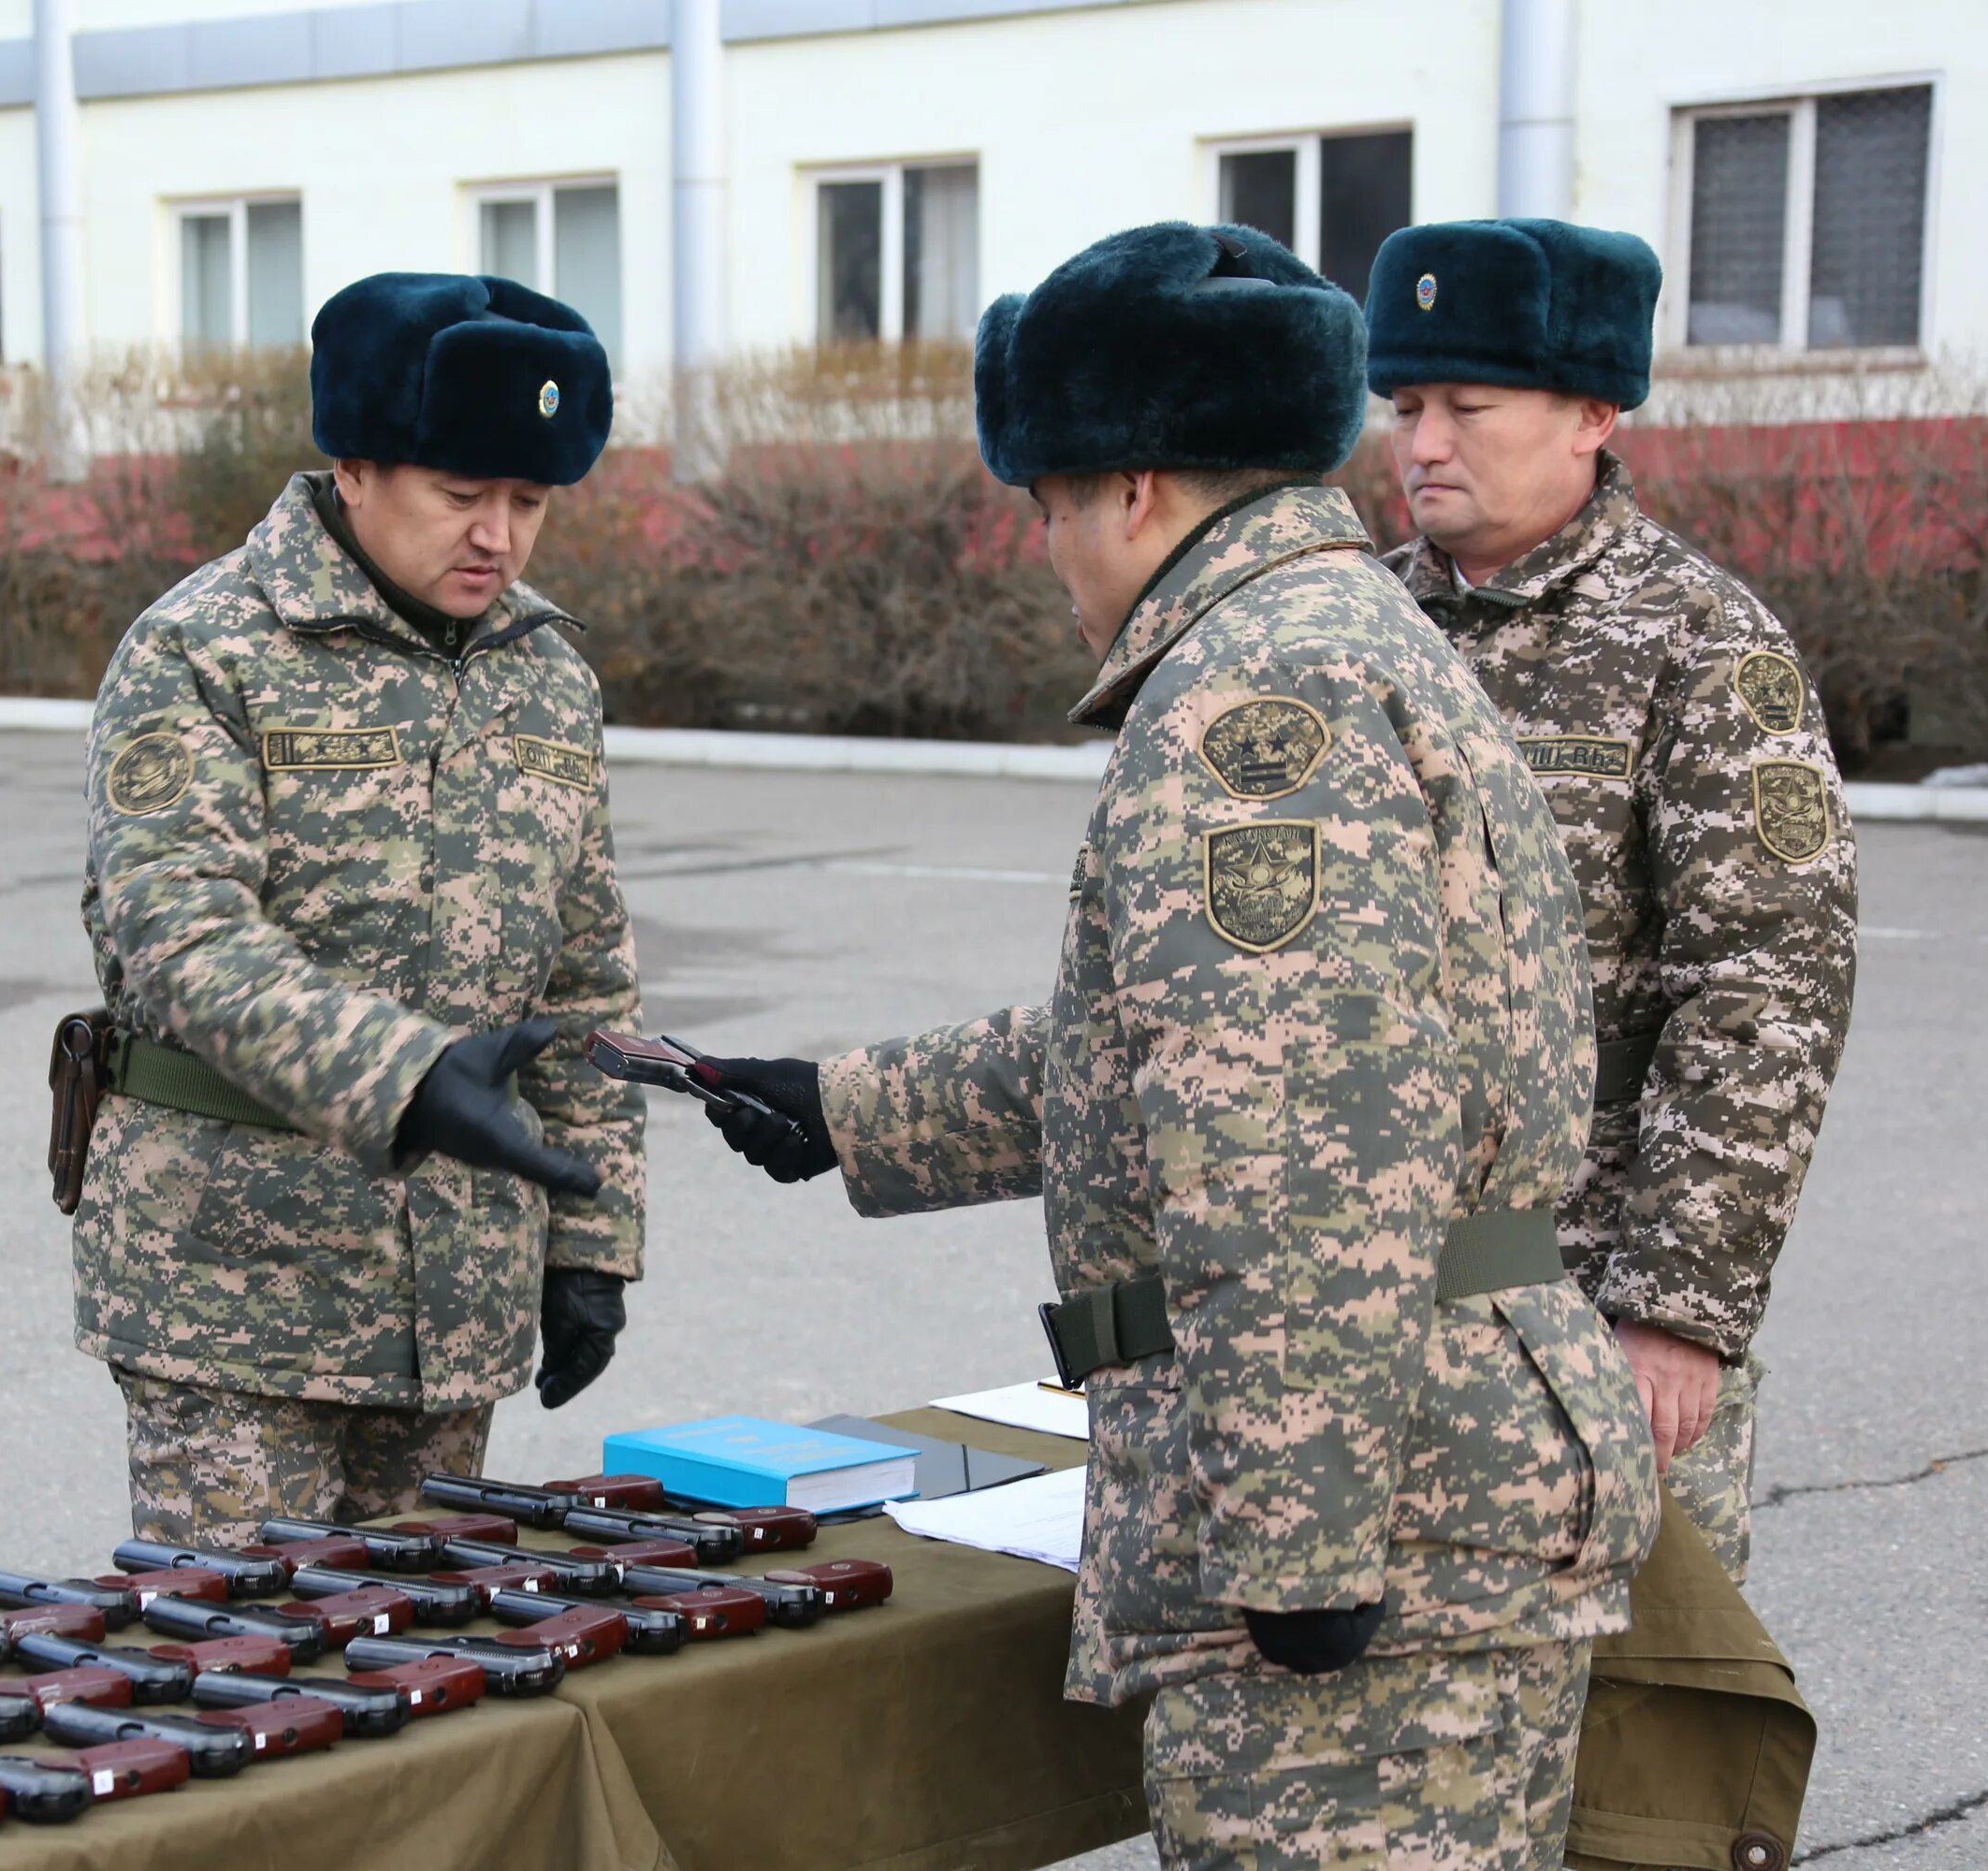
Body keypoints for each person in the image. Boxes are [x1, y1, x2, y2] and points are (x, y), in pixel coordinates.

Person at [694, 225, 1659, 1870]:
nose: (1049, 551)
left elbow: (1296, 1153)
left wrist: (1298, 1555)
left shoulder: (1244, 706)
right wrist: (850, 1110)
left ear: (1130, 488)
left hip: (1371, 1524)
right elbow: (1195, 1051)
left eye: (1047, 505)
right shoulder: (1348, 634)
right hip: (1438, 1466)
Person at [73, 273, 647, 1544]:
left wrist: (593, 1236)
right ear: (357, 471)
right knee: (238, 1682)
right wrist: (409, 1075)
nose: (497, 535)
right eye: (460, 496)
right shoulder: (204, 650)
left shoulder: (546, 675)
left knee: (426, 1682)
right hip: (237, 1289)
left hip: (458, 1294)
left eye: (530, 502)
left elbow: (584, 985)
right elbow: (183, 941)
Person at [1362, 221, 1859, 1582]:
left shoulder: (1698, 642)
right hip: (1377, 1294)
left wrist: (1680, 1311)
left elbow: (1769, 988)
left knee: (1640, 1730)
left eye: (1469, 406)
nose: (1425, 446)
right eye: (1405, 407)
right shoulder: (1355, 634)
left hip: (1594, 1295)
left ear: (1592, 413)